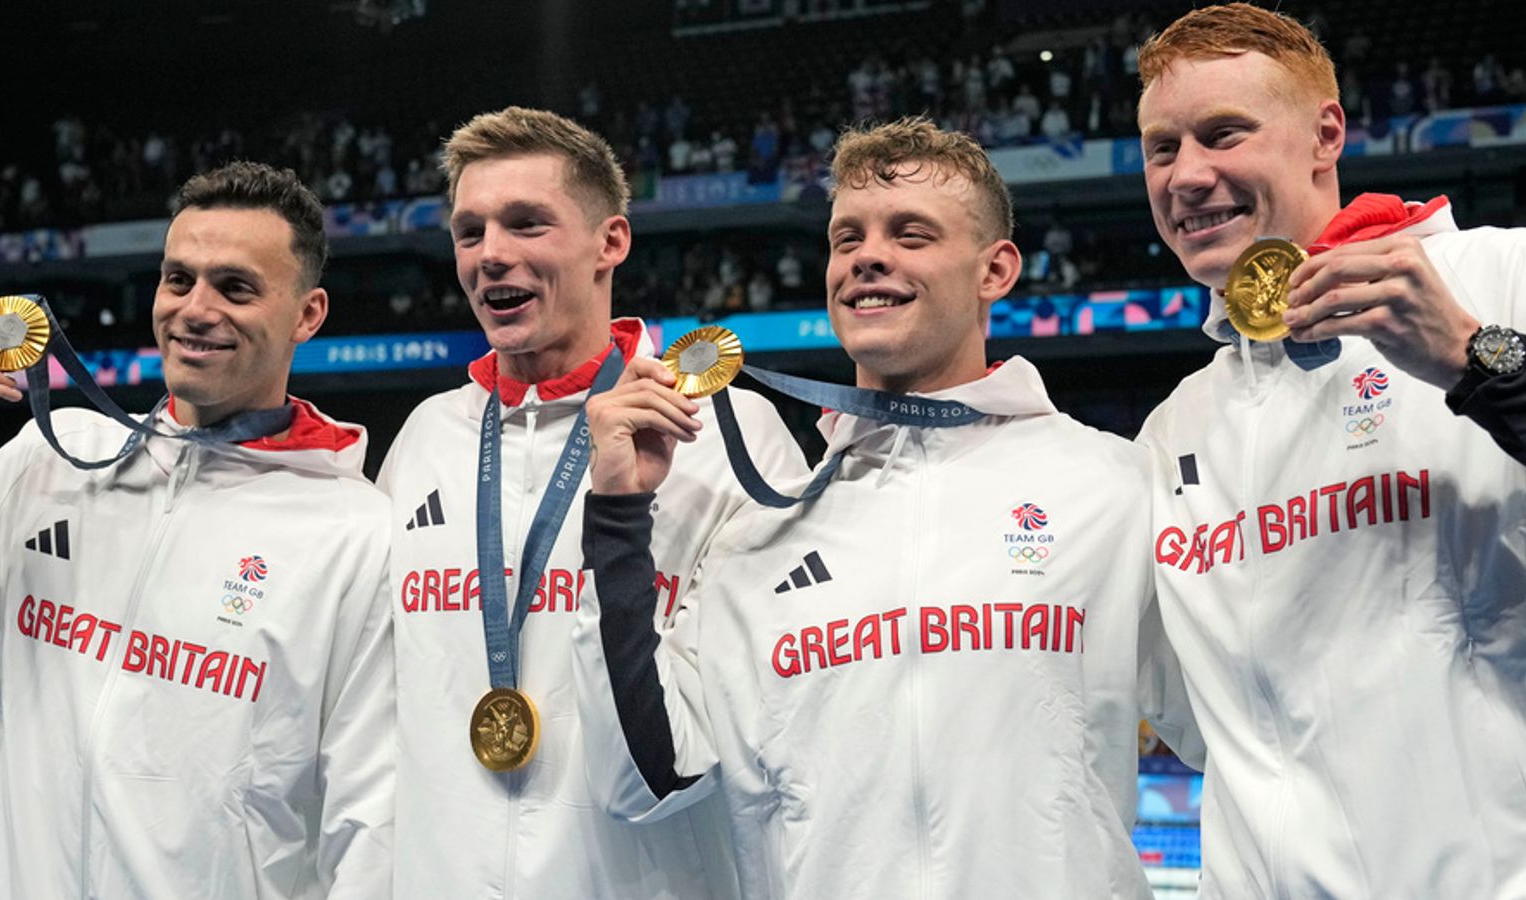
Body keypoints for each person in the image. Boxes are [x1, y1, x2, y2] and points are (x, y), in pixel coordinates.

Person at [575, 117, 1199, 899]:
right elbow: (645, 778)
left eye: (911, 234)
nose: (869, 256)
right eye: (847, 239)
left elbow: (1232, 726)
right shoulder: (762, 533)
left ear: (995, 269)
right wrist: (619, 516)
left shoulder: (1112, 484)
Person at [1134, 4, 1526, 896]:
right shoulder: (1175, 431)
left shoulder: (1503, 277)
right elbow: (1194, 722)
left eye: (1222, 133)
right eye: (1163, 149)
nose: (1188, 175)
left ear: (1325, 134)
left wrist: (1476, 358)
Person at [0, 161, 394, 898]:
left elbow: (371, 825)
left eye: (235, 287)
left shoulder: (360, 533)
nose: (195, 309)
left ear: (309, 315)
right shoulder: (44, 465)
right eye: (179, 280)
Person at [377, 107, 805, 899]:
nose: (490, 255)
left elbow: (724, 746)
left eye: (526, 223)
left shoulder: (730, 436)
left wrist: (618, 518)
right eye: (469, 232)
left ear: (611, 242)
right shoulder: (425, 438)